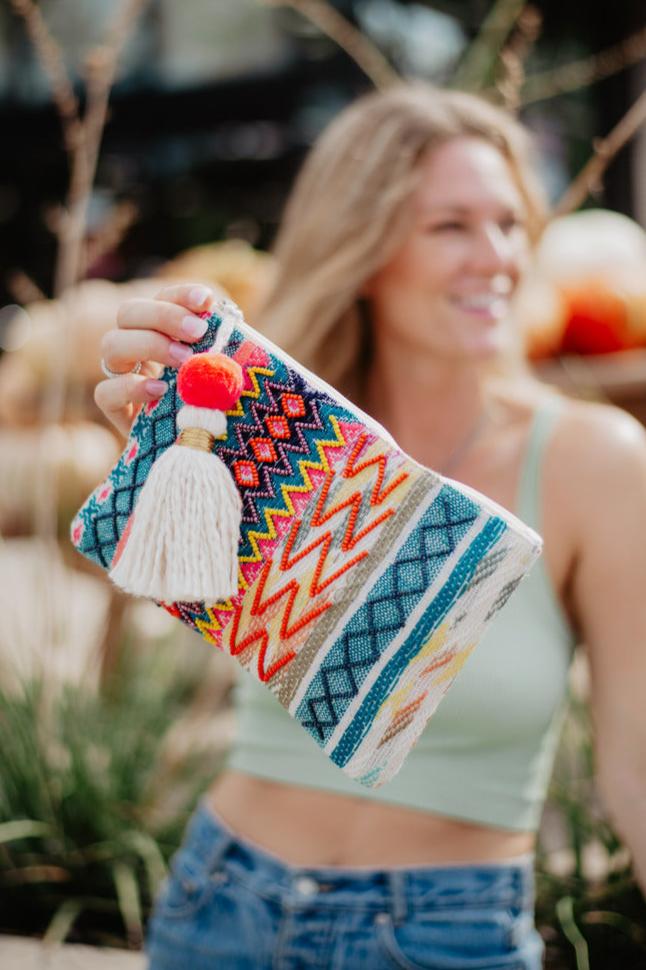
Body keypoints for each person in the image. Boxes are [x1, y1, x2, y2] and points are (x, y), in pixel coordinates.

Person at [95, 85, 646, 969]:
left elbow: (639, 768)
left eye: (509, 223)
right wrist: (155, 438)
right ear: (364, 248)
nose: (496, 257)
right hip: (221, 906)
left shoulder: (596, 462)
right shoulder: (277, 438)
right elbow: (165, 585)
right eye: (450, 227)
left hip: (444, 932)